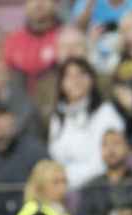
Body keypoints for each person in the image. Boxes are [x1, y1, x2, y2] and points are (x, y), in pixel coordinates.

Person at [48, 58, 125, 189]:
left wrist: (71, 181)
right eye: (69, 76)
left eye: (81, 74)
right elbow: (55, 157)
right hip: (63, 187)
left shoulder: (106, 113)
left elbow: (106, 160)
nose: (75, 80)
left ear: (92, 80)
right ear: (61, 83)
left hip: (98, 187)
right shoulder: (57, 118)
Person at [78, 129, 132, 215]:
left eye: (116, 143)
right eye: (105, 145)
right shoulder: (91, 186)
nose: (111, 150)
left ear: (127, 148)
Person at [4, 0, 60, 92]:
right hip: (20, 99)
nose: (38, 3)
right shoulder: (12, 40)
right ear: (26, 5)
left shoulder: (66, 37)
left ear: (55, 4)